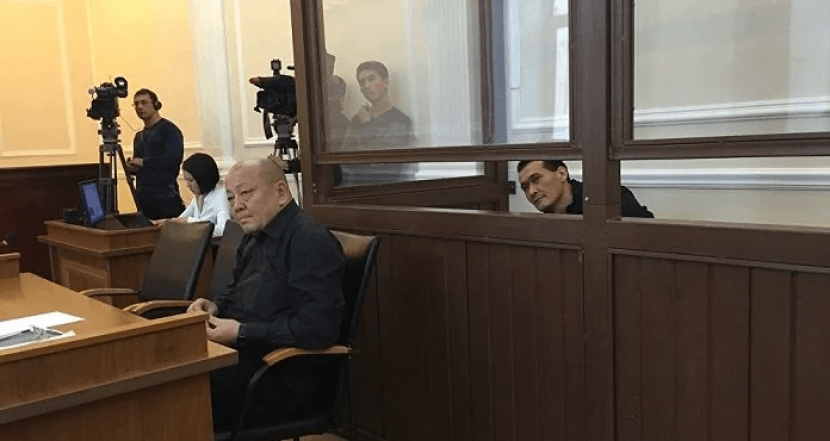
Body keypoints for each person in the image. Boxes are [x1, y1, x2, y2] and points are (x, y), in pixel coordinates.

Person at [187, 158, 346, 430]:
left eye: (246, 193)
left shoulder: (309, 241)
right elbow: (237, 288)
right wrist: (215, 306)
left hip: (278, 374)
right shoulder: (254, 234)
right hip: (243, 356)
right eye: (231, 197)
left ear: (281, 192)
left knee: (178, 389)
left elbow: (318, 328)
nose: (237, 206)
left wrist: (241, 332)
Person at [339, 60, 415, 185]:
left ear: (385, 82)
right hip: (355, 189)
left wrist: (366, 125)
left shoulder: (401, 121)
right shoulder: (358, 119)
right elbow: (344, 161)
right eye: (362, 82)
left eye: (371, 79)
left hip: (385, 189)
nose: (367, 85)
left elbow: (380, 165)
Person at [518, 160, 654, 218]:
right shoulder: (539, 225)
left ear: (562, 174)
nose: (531, 191)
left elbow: (647, 237)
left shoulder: (608, 198)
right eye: (525, 187)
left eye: (536, 179)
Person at [126, 88, 185, 220]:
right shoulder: (139, 136)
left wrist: (143, 162)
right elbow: (141, 166)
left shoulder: (169, 130)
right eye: (136, 104)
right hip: (144, 198)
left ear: (156, 104)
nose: (139, 107)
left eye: (144, 102)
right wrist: (132, 167)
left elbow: (173, 159)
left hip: (165, 198)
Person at [153, 153, 230, 236]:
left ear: (203, 178)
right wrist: (166, 222)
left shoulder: (221, 197)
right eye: (186, 180)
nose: (187, 185)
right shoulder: (198, 199)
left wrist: (189, 221)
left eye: (191, 180)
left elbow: (223, 230)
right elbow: (180, 219)